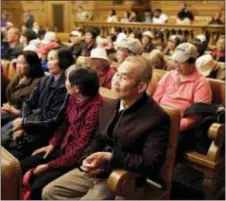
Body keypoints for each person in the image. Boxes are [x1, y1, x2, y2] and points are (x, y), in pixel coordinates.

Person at [42, 56, 170, 200]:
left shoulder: (156, 118)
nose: (116, 80)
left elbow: (151, 164)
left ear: (141, 87)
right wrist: (85, 160)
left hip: (123, 177)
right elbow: (98, 138)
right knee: (50, 192)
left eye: (124, 77)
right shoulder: (110, 105)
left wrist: (110, 157)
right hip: (99, 170)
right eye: (117, 74)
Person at [20, 68, 102, 200]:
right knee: (22, 165)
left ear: (77, 88)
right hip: (61, 148)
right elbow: (64, 123)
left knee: (38, 187)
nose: (65, 82)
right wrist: (52, 144)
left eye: (68, 81)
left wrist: (48, 166)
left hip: (73, 159)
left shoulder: (95, 109)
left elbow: (78, 150)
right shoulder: (73, 97)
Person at [2, 48, 74, 160]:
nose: (48, 63)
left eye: (52, 59)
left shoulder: (67, 87)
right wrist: (22, 123)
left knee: (11, 153)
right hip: (31, 123)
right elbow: (28, 102)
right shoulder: (45, 80)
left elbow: (54, 118)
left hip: (45, 132)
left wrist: (25, 123)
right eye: (48, 59)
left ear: (63, 61)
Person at [153, 43, 212, 132]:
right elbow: (155, 99)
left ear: (192, 62)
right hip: (159, 120)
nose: (177, 65)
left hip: (181, 128)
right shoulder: (169, 75)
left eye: (181, 63)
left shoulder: (201, 83)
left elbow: (196, 117)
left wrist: (174, 127)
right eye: (176, 61)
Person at [1, 51, 44, 126]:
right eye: (17, 63)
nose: (18, 66)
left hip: (21, 119)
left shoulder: (38, 83)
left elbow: (34, 111)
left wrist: (12, 110)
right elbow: (11, 97)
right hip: (8, 112)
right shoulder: (19, 77)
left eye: (22, 63)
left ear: (32, 65)